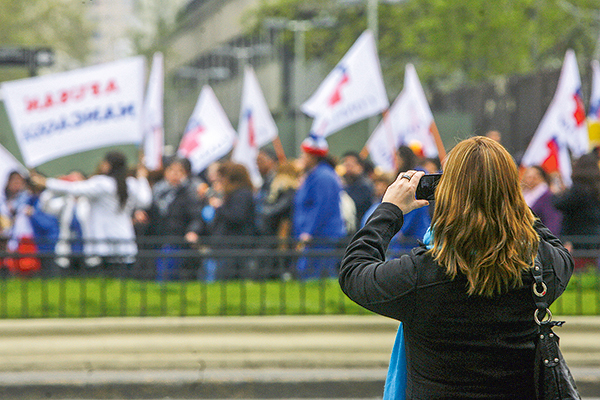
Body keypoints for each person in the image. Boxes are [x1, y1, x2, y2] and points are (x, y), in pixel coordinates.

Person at [339, 136, 574, 399]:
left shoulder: (422, 274)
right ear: (512, 190)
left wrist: (389, 210)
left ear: (447, 192)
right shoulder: (544, 267)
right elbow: (555, 247)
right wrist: (509, 202)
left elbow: (354, 272)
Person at [30, 151, 152, 271]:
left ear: (108, 165)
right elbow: (145, 201)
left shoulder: (102, 184)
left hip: (103, 243)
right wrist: (142, 178)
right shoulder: (130, 184)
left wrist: (46, 182)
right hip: (125, 241)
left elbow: (74, 188)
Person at [134, 157, 204, 281]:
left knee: (166, 274)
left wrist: (192, 231)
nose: (175, 175)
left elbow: (196, 217)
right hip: (156, 238)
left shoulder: (189, 193)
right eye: (171, 170)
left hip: (175, 239)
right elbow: (149, 209)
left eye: (179, 171)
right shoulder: (157, 191)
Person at [294, 134, 346, 279]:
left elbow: (322, 207)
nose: (301, 158)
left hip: (321, 236)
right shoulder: (315, 175)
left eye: (304, 155)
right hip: (316, 236)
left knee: (315, 276)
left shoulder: (323, 177)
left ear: (312, 157)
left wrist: (309, 232)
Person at [208, 161, 257, 280]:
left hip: (234, 246)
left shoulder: (242, 194)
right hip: (227, 246)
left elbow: (237, 216)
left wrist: (220, 207)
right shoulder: (233, 194)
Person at [553, 153, 600, 270]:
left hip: (578, 237)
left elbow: (561, 204)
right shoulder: (596, 187)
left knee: (580, 269)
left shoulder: (579, 188)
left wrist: (555, 192)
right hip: (594, 236)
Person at [521, 165, 562, 235]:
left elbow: (552, 221)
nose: (530, 181)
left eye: (534, 178)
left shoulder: (547, 196)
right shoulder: (523, 194)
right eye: (528, 177)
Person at [341, 151, 374, 230]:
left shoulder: (364, 185)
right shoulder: (346, 183)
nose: (348, 168)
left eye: (350, 165)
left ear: (360, 166)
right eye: (346, 165)